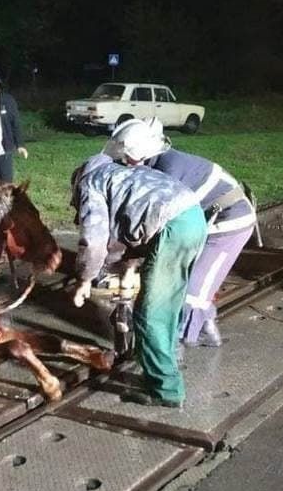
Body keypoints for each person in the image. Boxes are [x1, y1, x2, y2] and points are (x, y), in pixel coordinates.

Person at [104, 118, 256, 347]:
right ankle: (206, 330)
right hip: (205, 222)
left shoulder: (169, 171)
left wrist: (127, 256)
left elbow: (155, 221)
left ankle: (173, 348)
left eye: (127, 158)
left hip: (229, 223)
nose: (124, 163)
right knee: (189, 281)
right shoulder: (156, 163)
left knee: (191, 292)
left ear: (141, 154)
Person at [70, 154, 206, 408]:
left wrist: (84, 279)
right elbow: (134, 220)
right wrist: (127, 266)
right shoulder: (120, 173)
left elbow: (94, 239)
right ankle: (166, 359)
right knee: (168, 303)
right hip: (194, 217)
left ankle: (165, 391)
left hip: (173, 227)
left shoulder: (91, 184)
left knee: (150, 313)